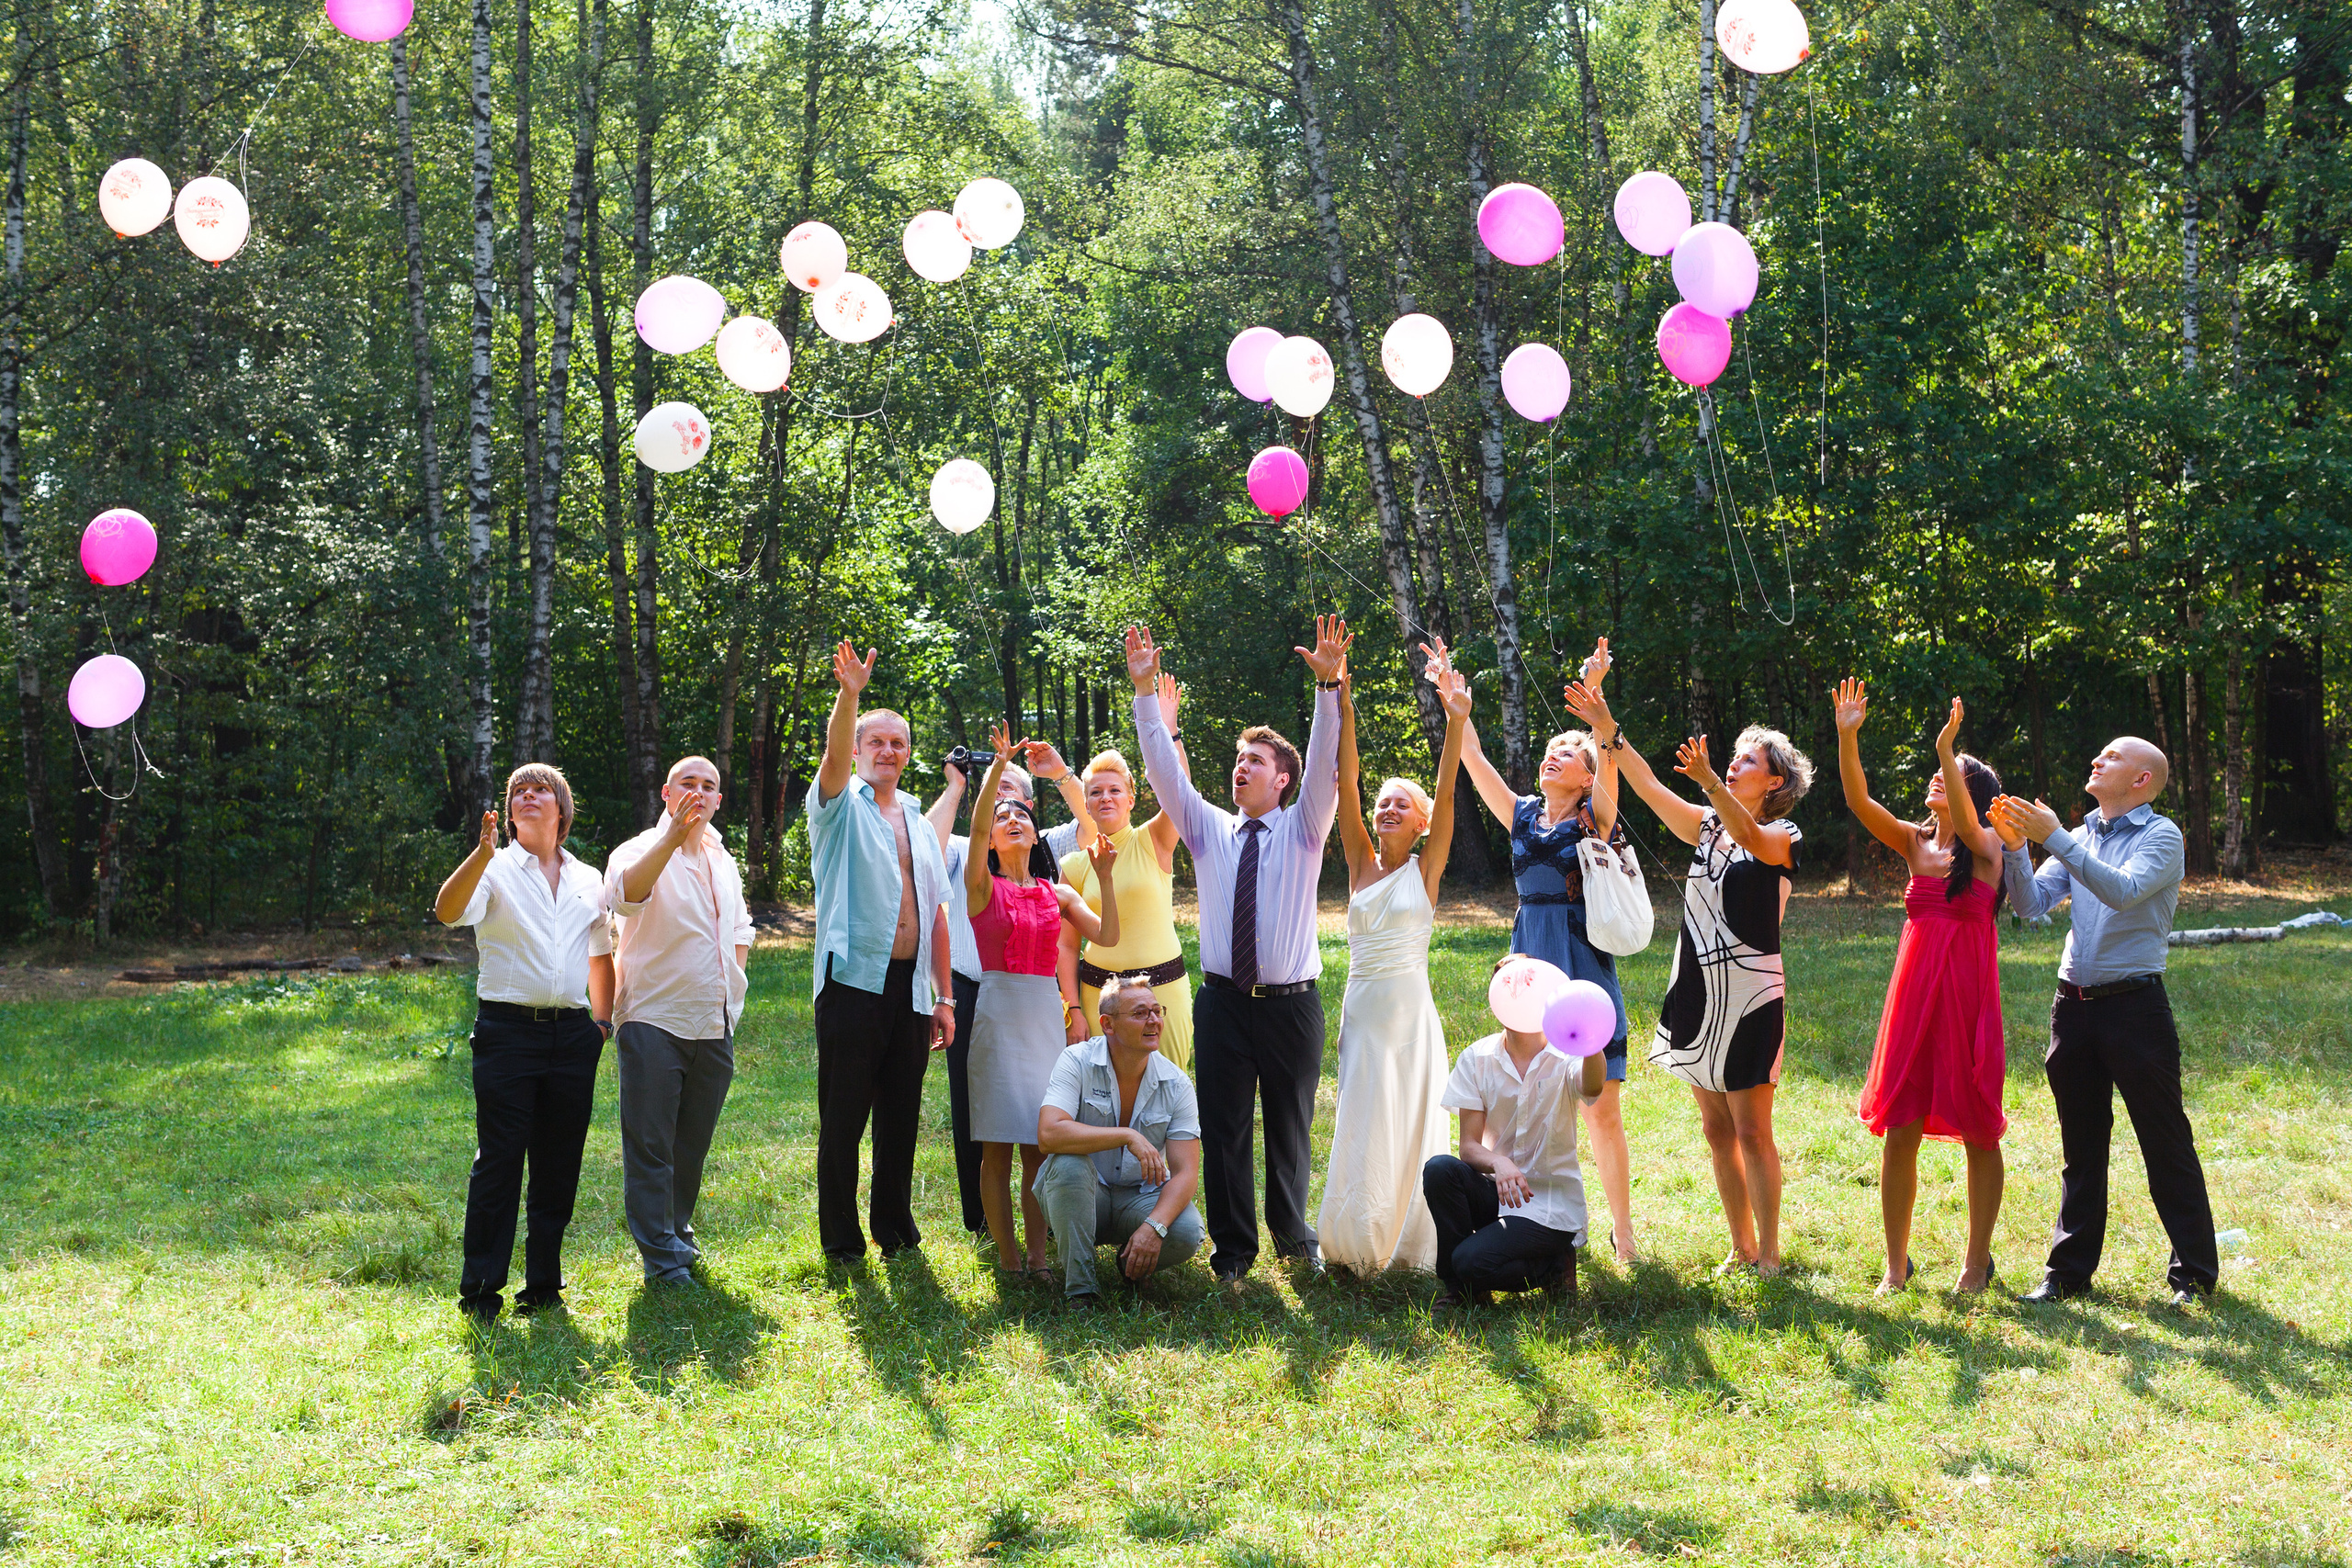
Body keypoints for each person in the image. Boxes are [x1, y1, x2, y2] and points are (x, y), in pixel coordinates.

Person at [1125, 615, 1348, 1285]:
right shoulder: (1208, 829)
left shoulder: (1306, 827)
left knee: (1289, 1127)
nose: (1240, 766)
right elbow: (1166, 771)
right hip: (1221, 1005)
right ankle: (1233, 1252)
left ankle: (1292, 1238)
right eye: (1238, 758)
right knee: (1222, 1131)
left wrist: (1329, 687)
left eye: (1255, 760)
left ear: (1284, 780)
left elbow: (1327, 758)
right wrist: (1143, 696)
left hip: (1290, 1007)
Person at [1567, 680, 1812, 1277]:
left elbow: (1752, 837)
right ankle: (1741, 1246)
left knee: (1753, 1131)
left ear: (1774, 780)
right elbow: (1647, 787)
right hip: (1698, 990)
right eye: (1734, 757)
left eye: (1748, 759)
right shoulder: (1706, 823)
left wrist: (1707, 783)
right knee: (1714, 1127)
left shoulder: (1785, 836)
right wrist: (1608, 727)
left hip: (1752, 996)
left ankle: (1772, 1253)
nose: (1734, 763)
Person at [1992, 739, 2218, 1308]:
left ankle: (2192, 1274)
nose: (2097, 759)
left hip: (2135, 1009)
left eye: (2113, 756)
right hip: (2074, 1008)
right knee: (2081, 1145)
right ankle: (2067, 1274)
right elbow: (2030, 904)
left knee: (2165, 1141)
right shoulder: (2084, 836)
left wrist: (2054, 838)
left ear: (2141, 780)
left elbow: (2122, 892)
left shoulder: (2162, 836)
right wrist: (2019, 848)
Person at [1461, 636, 1642, 1264]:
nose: (1554, 757)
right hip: (1528, 962)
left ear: (1587, 775)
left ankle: (1623, 1233)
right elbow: (1473, 757)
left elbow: (1612, 760)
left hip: (1582, 963)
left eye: (1568, 752)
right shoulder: (1520, 814)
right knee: (1524, 1103)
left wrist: (1597, 709)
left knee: (1599, 1108)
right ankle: (1534, 1215)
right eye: (1549, 751)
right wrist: (1458, 706)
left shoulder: (1598, 815)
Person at [1835, 682, 2007, 1295]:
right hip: (1913, 998)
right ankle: (1894, 1265)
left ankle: (1973, 1265)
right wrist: (1848, 733)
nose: (1939, 777)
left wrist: (1945, 746)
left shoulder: (1989, 846)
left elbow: (1966, 818)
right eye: (1938, 770)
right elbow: (1858, 799)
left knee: (1980, 1128)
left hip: (1966, 1000)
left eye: (1952, 773)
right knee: (1902, 1125)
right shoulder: (1915, 842)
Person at [432, 764, 613, 1323]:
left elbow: (600, 951)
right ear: (509, 814)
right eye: (518, 792)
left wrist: (601, 1026)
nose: (529, 796)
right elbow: (447, 912)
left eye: (541, 790)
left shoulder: (588, 878)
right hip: (507, 1034)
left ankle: (543, 1287)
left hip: (573, 1036)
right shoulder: (494, 866)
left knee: (559, 1164)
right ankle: (481, 1291)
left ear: (561, 809)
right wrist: (481, 854)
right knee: (501, 1162)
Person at [1316, 649, 1468, 1276]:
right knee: (1363, 1115)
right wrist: (1343, 701)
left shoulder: (1426, 869)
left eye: (1400, 804)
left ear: (1422, 821)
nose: (1387, 809)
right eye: (1383, 804)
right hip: (1364, 1011)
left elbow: (1448, 786)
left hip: (1411, 1016)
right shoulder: (1356, 859)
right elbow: (1345, 781)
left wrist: (1455, 717)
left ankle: (1410, 1239)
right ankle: (1357, 1237)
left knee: (1410, 1116)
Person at [807, 642, 956, 1264]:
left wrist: (944, 996)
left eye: (899, 742)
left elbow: (937, 911)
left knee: (901, 1114)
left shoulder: (920, 823)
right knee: (844, 1117)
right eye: (877, 741)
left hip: (911, 989)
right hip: (852, 984)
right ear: (860, 749)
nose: (888, 751)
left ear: (908, 752)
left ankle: (894, 1226)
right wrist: (850, 695)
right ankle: (842, 1239)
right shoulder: (838, 807)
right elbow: (834, 758)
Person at [963, 725, 1123, 1283]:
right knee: (996, 1149)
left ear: (1035, 834)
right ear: (990, 839)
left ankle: (1038, 1258)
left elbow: (1106, 937)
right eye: (1003, 819)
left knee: (1039, 1143)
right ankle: (1007, 1260)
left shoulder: (1057, 892)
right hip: (998, 1013)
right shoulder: (981, 886)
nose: (1012, 821)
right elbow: (979, 820)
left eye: (1021, 816)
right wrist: (996, 771)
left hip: (1044, 1018)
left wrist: (1103, 876)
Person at [928, 742, 1093, 1235]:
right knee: (976, 1115)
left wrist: (1062, 774)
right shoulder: (967, 846)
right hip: (969, 987)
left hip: (1034, 997)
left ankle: (1039, 1238)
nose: (1003, 802)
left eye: (1013, 795)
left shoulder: (1044, 848)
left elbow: (1089, 828)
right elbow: (929, 850)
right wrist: (959, 786)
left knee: (1035, 1125)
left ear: (1030, 812)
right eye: (993, 795)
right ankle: (983, 1225)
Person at [605, 754, 758, 1286]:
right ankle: (662, 1259)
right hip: (652, 1015)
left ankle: (676, 1228)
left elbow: (742, 929)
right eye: (687, 783)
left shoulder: (724, 860)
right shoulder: (636, 850)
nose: (699, 791)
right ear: (667, 794)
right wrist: (670, 839)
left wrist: (731, 997)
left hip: (714, 1022)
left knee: (692, 1141)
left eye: (709, 785)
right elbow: (624, 899)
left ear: (719, 800)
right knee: (651, 1143)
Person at [1423, 960, 1609, 1308]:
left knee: (1470, 1261)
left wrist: (1591, 1042)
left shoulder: (1567, 1055)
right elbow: (1468, 1148)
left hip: (1550, 1205)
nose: (1518, 996)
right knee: (1439, 1170)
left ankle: (1555, 1265)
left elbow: (1593, 1083)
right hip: (1501, 1193)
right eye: (1509, 988)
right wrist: (1500, 1162)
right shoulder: (1476, 1058)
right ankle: (1461, 1290)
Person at [1035, 972, 1207, 1306]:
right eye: (1140, 1013)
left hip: (1139, 1200)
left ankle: (1130, 1263)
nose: (1154, 1021)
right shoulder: (1076, 1061)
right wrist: (1127, 1136)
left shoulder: (1178, 1084)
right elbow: (1049, 1133)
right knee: (1068, 1164)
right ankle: (1081, 1290)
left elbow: (1186, 1172)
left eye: (1157, 1011)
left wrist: (1153, 1227)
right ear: (1108, 1025)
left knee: (1186, 1232)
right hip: (1081, 1196)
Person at [1057, 671, 1194, 1070]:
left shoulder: (1154, 839)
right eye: (1095, 792)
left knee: (1166, 1098)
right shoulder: (1075, 865)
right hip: (1100, 998)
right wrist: (1073, 1011)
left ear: (1132, 798)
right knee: (1104, 1104)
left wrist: (1170, 733)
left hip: (1164, 991)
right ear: (1086, 801)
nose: (1105, 798)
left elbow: (1181, 790)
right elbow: (1065, 947)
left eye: (1115, 789)